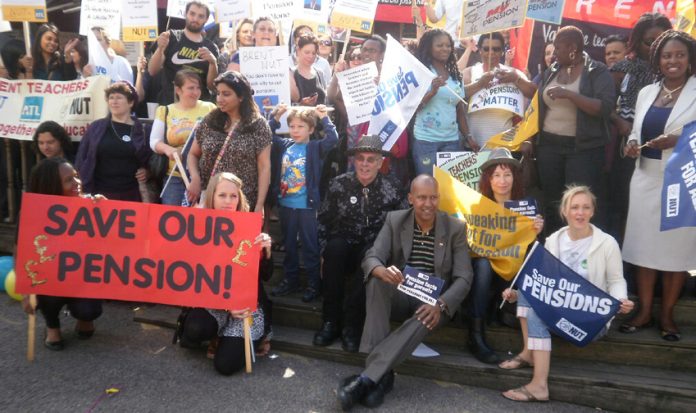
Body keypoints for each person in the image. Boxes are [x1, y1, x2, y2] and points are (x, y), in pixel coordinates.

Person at [336, 175, 474, 410]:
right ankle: (381, 376)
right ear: (411, 199)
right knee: (376, 281)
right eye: (421, 197)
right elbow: (372, 256)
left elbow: (464, 277)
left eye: (433, 197)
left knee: (426, 315)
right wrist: (380, 270)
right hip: (403, 291)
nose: (427, 203)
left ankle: (367, 379)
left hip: (434, 302)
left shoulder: (455, 228)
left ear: (439, 198)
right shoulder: (395, 220)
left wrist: (441, 304)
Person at [499, 186, 634, 402]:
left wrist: (620, 300)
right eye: (575, 207)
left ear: (593, 211)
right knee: (526, 287)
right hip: (560, 310)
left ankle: (538, 384)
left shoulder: (607, 243)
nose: (580, 213)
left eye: (585, 207)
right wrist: (515, 294)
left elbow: (616, 280)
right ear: (565, 211)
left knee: (534, 312)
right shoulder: (554, 240)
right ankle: (528, 354)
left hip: (589, 321)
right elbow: (543, 280)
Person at [620, 30, 696, 342]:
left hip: (682, 182)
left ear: (689, 59)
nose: (673, 60)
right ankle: (644, 311)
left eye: (679, 54)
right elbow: (636, 131)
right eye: (667, 55)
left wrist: (677, 141)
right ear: (658, 60)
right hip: (645, 178)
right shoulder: (646, 93)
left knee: (675, 252)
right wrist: (632, 144)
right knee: (644, 248)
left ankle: (667, 315)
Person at [314, 135, 408, 352]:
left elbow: (402, 225)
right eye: (360, 158)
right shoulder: (339, 184)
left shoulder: (392, 188)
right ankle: (330, 322)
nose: (365, 164)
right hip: (343, 241)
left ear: (380, 162)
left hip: (373, 247)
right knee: (334, 251)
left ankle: (351, 326)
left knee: (369, 258)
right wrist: (322, 251)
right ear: (354, 161)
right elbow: (324, 220)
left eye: (371, 159)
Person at [179, 172, 273, 375]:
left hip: (245, 305)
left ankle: (251, 337)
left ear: (240, 199)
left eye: (233, 196)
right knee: (193, 332)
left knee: (225, 366)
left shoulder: (250, 226)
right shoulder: (199, 227)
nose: (228, 201)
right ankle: (217, 333)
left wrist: (267, 251)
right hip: (212, 299)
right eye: (222, 195)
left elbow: (266, 276)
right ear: (212, 197)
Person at [535, 26, 615, 235]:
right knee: (553, 203)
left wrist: (570, 95)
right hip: (549, 148)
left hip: (582, 150)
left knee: (577, 203)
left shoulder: (597, 70)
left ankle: (578, 251)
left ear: (573, 48)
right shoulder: (552, 70)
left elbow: (604, 107)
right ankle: (553, 249)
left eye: (558, 49)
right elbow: (536, 101)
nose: (554, 54)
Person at [467, 148, 543, 364]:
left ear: (515, 177)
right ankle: (475, 335)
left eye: (507, 174)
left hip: (513, 274)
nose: (502, 181)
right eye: (496, 175)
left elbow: (532, 250)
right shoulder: (476, 206)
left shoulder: (526, 207)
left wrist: (537, 231)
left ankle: (511, 314)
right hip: (485, 272)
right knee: (481, 264)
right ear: (488, 179)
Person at [21, 158, 103, 350]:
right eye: (68, 180)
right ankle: (52, 326)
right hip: (52, 280)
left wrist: (107, 209)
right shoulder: (32, 213)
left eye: (76, 176)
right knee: (43, 286)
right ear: (52, 186)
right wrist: (25, 290)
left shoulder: (91, 204)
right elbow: (23, 252)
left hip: (82, 278)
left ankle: (84, 318)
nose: (76, 183)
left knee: (88, 310)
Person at [608, 13, 671, 244]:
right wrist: (620, 122)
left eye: (662, 39)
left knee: (656, 207)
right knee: (627, 203)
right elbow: (606, 104)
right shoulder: (623, 68)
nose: (656, 46)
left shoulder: (674, 70)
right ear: (637, 41)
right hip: (628, 146)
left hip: (664, 147)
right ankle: (625, 262)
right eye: (649, 41)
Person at [268, 104, 338, 302]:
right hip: (286, 204)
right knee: (289, 245)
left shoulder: (315, 147)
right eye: (292, 126)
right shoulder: (284, 145)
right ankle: (291, 281)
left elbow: (333, 139)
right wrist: (277, 115)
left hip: (307, 206)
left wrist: (323, 117)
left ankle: (314, 284)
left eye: (300, 127)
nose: (295, 130)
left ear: (311, 129)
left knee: (309, 246)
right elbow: (266, 133)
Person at [187, 71, 272, 211]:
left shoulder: (258, 125)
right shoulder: (209, 121)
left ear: (241, 97)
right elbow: (192, 154)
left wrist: (259, 205)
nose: (220, 99)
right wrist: (195, 178)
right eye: (218, 93)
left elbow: (264, 168)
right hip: (210, 203)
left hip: (242, 204)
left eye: (226, 94)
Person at [75, 81, 153, 201]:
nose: (114, 101)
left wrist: (147, 171)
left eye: (119, 97)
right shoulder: (96, 127)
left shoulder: (143, 130)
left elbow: (152, 161)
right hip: (99, 195)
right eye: (111, 98)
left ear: (131, 102)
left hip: (132, 195)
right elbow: (82, 158)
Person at [150, 70, 216, 205]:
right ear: (178, 90)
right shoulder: (165, 111)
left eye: (198, 87)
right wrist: (168, 149)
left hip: (204, 175)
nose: (196, 92)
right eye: (191, 88)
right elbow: (154, 141)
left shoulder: (210, 108)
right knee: (172, 219)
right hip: (174, 175)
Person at [413, 29, 472, 176]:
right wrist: (432, 92)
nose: (445, 49)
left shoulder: (456, 75)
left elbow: (459, 110)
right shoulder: (423, 73)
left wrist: (468, 136)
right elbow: (413, 108)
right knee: (428, 184)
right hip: (426, 141)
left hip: (452, 140)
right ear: (429, 48)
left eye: (448, 45)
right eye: (439, 45)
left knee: (449, 189)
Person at [463, 32, 536, 148]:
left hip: (504, 145)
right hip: (474, 144)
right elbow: (459, 96)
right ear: (480, 50)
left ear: (502, 51)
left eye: (496, 49)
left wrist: (517, 79)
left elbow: (535, 94)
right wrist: (479, 84)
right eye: (486, 49)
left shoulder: (513, 73)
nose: (491, 53)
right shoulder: (469, 72)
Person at [148, 1, 219, 104]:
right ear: (185, 14)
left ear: (206, 19)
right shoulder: (170, 37)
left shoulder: (211, 48)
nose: (195, 19)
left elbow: (212, 86)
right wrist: (160, 49)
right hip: (170, 105)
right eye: (192, 14)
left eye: (200, 16)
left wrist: (213, 63)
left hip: (198, 108)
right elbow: (152, 71)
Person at [290, 33, 326, 106]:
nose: (311, 56)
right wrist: (301, 105)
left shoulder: (320, 73)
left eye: (314, 53)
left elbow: (326, 101)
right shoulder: (290, 74)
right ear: (298, 51)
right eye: (307, 52)